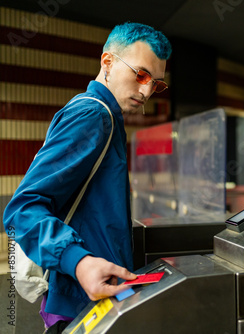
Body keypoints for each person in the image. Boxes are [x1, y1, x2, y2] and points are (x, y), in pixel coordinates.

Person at [2, 22, 172, 333]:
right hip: (78, 302)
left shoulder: (105, 116)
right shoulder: (94, 115)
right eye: (141, 75)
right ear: (107, 62)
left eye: (156, 84)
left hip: (96, 296)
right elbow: (22, 209)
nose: (147, 91)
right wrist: (77, 261)